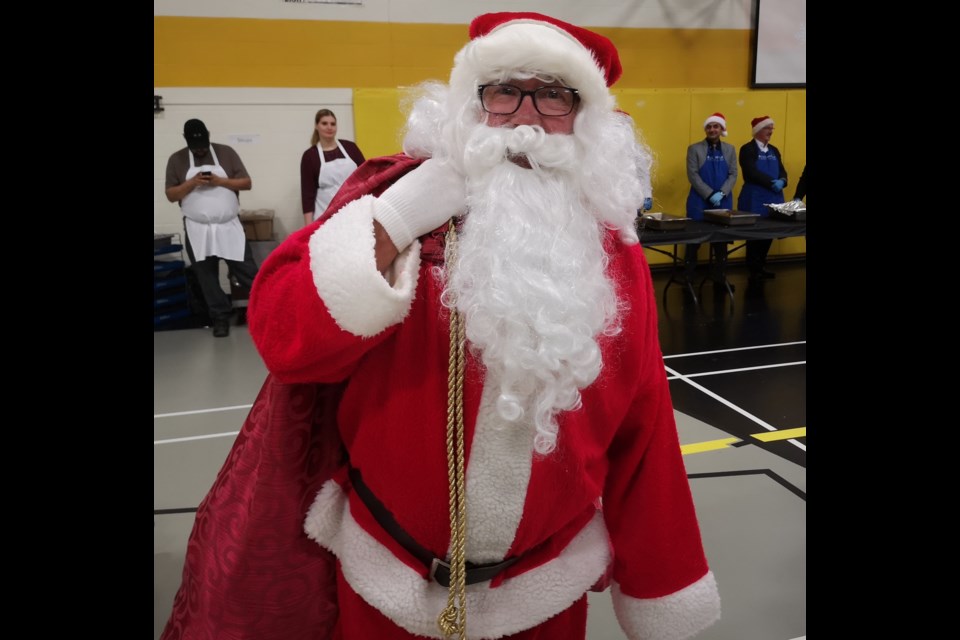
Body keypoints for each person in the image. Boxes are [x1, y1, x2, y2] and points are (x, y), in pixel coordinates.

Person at [161, 12, 720, 640]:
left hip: (543, 597)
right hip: (383, 587)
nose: (528, 117)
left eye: (554, 95)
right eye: (504, 90)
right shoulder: (395, 206)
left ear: (583, 117)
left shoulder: (613, 259)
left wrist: (662, 586)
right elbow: (283, 339)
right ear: (470, 105)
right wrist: (397, 216)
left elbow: (643, 432)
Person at [164, 118, 259, 337]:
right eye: (195, 147)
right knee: (206, 276)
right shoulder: (176, 160)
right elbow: (170, 195)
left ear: (208, 135)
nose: (200, 151)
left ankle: (269, 309)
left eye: (203, 145)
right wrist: (191, 183)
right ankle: (220, 318)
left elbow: (246, 182)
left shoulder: (226, 153)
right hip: (198, 229)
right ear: (185, 140)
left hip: (229, 227)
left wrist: (220, 181)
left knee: (248, 272)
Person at [683, 112, 738, 282]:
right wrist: (709, 193)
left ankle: (720, 278)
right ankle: (688, 278)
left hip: (723, 202)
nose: (712, 129)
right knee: (693, 241)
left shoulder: (730, 149)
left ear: (722, 129)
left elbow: (733, 173)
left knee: (721, 243)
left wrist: (722, 193)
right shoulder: (694, 149)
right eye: (709, 126)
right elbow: (693, 175)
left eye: (716, 126)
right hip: (699, 202)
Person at [737, 115, 788, 281]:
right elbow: (750, 172)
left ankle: (761, 264)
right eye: (768, 128)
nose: (771, 131)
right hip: (755, 198)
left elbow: (782, 170)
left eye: (772, 128)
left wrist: (782, 181)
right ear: (758, 130)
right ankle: (752, 267)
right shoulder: (747, 149)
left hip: (774, 197)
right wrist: (770, 182)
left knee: (770, 232)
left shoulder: (774, 150)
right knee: (755, 233)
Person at [300, 108, 366, 226]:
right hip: (325, 218)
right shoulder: (310, 156)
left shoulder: (350, 148)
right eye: (324, 123)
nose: (329, 127)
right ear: (316, 126)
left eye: (333, 124)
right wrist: (308, 228)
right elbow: (307, 195)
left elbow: (367, 176)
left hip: (355, 214)